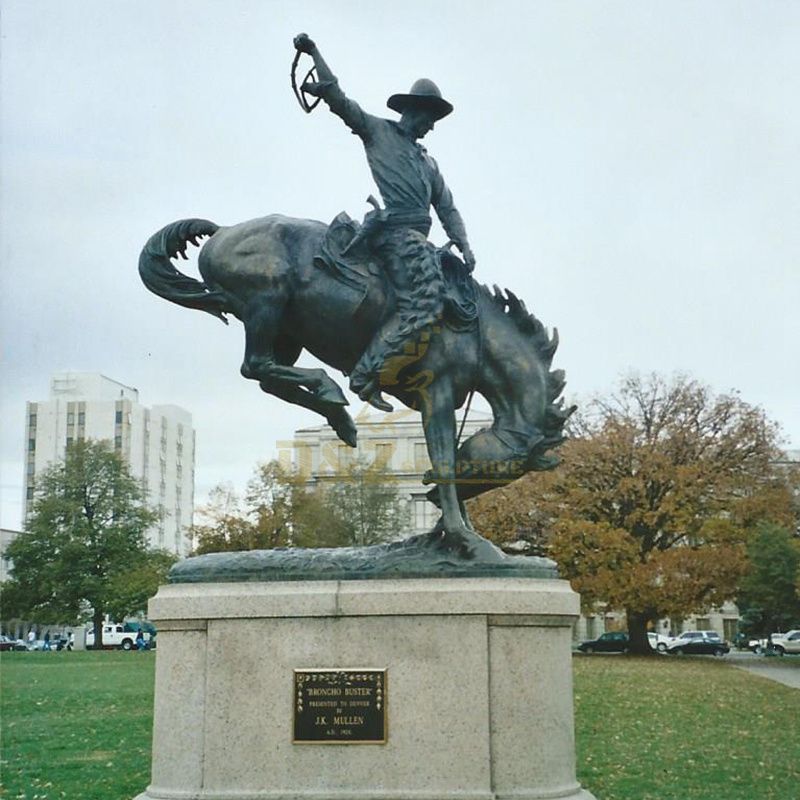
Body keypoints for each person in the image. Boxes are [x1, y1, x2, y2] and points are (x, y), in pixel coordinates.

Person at [293, 33, 476, 411]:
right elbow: (338, 98)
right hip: (394, 236)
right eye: (431, 118)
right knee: (425, 303)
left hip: (420, 242)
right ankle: (368, 374)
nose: (432, 127)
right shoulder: (378, 132)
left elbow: (447, 206)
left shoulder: (428, 162)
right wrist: (314, 52)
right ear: (417, 111)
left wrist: (463, 242)